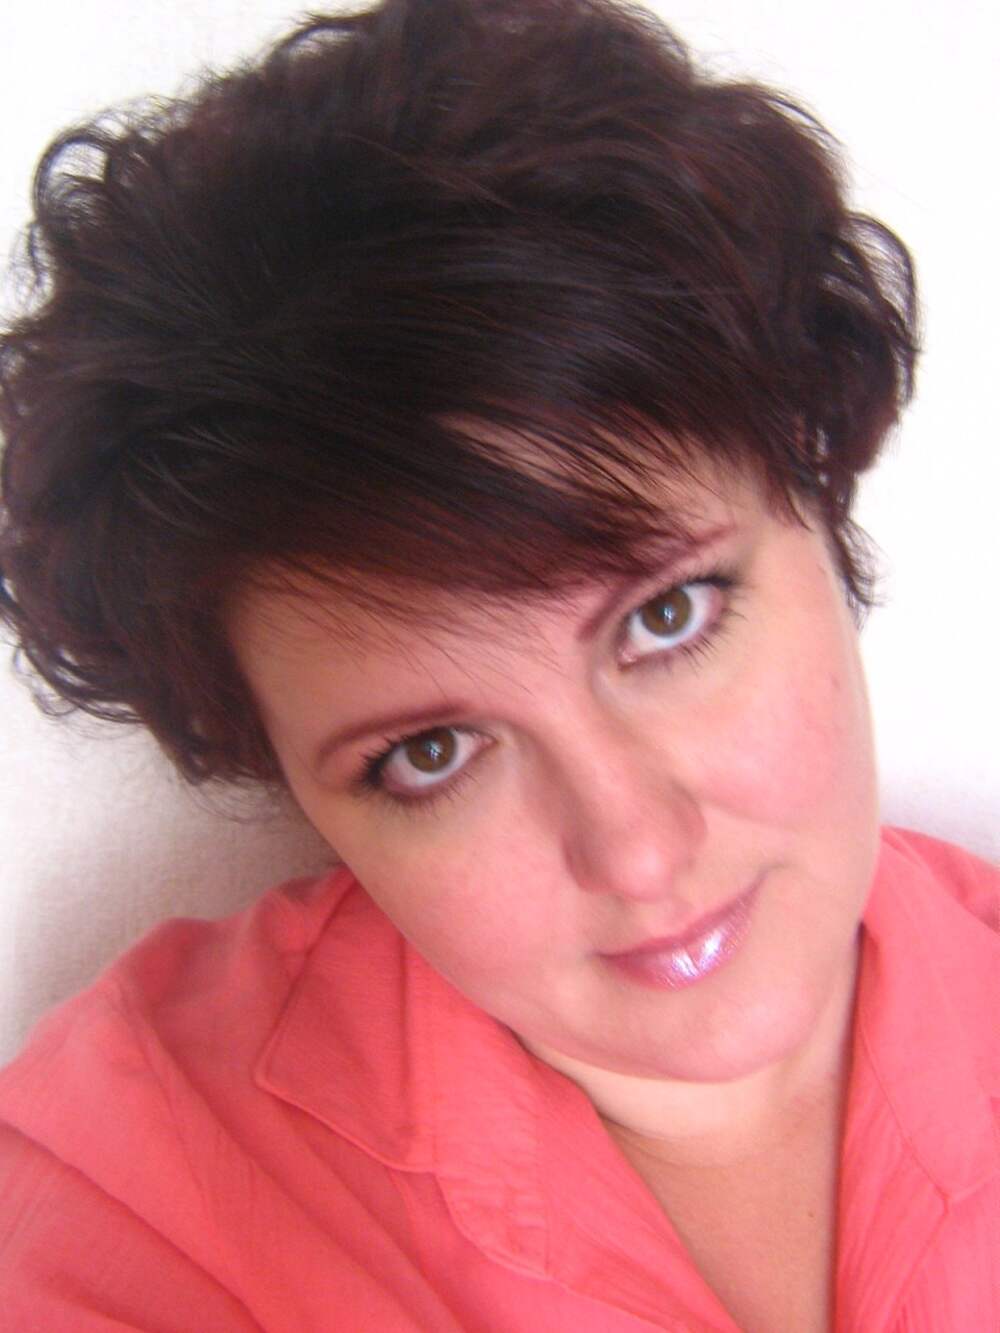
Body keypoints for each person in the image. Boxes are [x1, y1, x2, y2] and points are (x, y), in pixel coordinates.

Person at [0, 0, 996, 1328]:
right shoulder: (132, 1186)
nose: (638, 852)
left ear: (815, 496)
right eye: (433, 752)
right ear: (296, 781)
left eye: (668, 616)